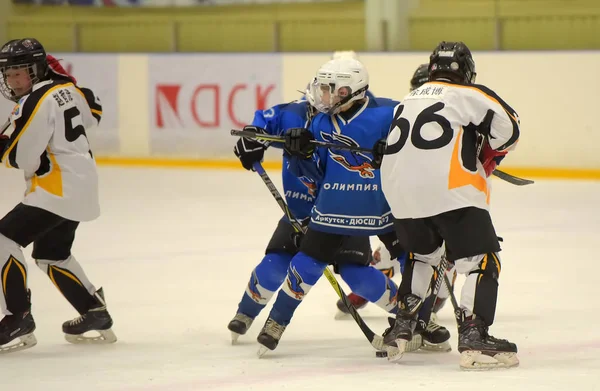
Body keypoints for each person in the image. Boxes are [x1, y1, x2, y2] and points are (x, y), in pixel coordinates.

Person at [255, 57, 449, 356]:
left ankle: (421, 321)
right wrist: (299, 155)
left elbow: (418, 147)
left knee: (414, 261)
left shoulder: (389, 112)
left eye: (331, 89)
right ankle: (275, 322)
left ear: (351, 90)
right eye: (322, 89)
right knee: (304, 265)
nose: (324, 96)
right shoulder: (319, 122)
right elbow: (314, 176)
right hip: (333, 208)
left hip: (382, 208)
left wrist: (396, 150)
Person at [380, 41, 519, 369]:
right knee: (482, 260)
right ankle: (474, 335)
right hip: (451, 191)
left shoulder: (407, 100)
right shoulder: (468, 94)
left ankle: (402, 327)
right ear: (467, 71)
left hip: (399, 194)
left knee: (422, 257)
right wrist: (486, 150)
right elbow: (509, 130)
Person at [228, 87, 399, 345]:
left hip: (344, 213)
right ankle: (246, 312)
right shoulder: (294, 113)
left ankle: (413, 317)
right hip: (299, 214)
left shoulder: (360, 116)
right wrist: (252, 138)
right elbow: (264, 121)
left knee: (358, 276)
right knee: (274, 266)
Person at [0, 38, 116, 353]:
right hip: (83, 187)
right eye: (8, 74)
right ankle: (94, 311)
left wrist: (5, 150)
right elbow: (94, 111)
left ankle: (17, 317)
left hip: (55, 190)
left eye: (19, 73)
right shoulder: (70, 90)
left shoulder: (33, 102)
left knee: (3, 238)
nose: (12, 81)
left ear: (36, 71)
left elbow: (24, 159)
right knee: (51, 254)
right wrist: (67, 82)